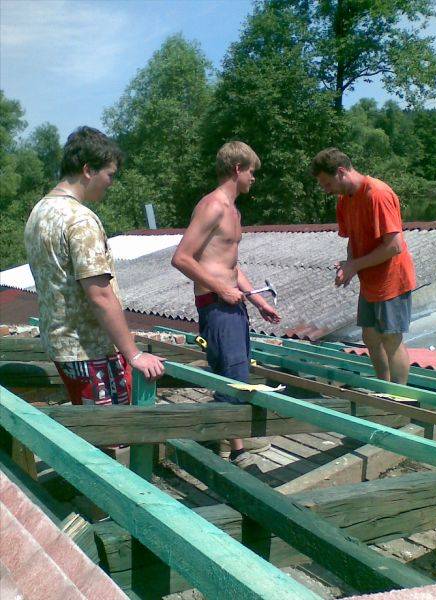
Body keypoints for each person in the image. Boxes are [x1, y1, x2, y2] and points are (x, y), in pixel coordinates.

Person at [24, 126, 165, 407]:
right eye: (109, 174)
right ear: (88, 170)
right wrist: (134, 354)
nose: (111, 183)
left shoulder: (39, 212)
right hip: (90, 349)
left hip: (62, 345)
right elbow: (100, 295)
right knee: (112, 429)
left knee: (89, 424)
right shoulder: (80, 220)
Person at [171, 141, 281, 468]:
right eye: (251, 171)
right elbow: (181, 258)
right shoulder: (213, 206)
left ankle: (233, 439)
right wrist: (221, 288)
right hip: (216, 304)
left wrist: (257, 301)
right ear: (237, 169)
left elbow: (231, 265)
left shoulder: (233, 210)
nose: (253, 178)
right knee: (231, 376)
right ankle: (235, 451)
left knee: (237, 371)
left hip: (232, 302)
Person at [310, 147, 416, 385]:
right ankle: (383, 388)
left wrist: (354, 265)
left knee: (390, 337)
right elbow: (353, 238)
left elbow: (394, 246)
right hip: (370, 280)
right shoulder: (344, 200)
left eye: (327, 184)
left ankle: (398, 396)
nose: (327, 190)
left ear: (341, 172)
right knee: (370, 337)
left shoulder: (377, 194)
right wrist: (349, 265)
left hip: (392, 278)